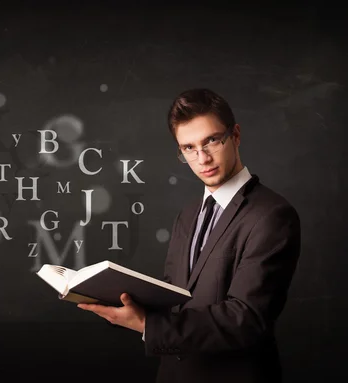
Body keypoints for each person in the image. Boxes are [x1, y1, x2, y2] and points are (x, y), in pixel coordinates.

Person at [78, 88, 301, 383]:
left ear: (235, 136)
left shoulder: (272, 214)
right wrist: (123, 303)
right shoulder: (187, 215)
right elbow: (175, 296)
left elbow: (246, 318)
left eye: (211, 141)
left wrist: (148, 325)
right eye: (189, 148)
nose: (202, 158)